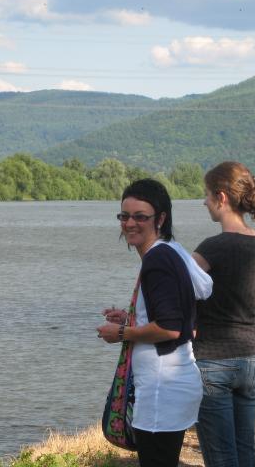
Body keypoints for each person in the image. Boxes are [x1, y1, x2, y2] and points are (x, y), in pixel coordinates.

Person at [97, 178, 213, 467]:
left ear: (160, 218)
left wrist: (122, 332)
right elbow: (182, 308)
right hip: (175, 382)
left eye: (140, 217)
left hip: (162, 388)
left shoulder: (157, 260)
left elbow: (170, 327)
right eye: (124, 216)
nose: (129, 223)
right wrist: (134, 318)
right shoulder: (172, 251)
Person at [192, 161, 255, 467]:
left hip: (214, 358)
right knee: (244, 451)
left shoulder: (213, 248)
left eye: (207, 195)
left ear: (221, 197)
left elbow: (177, 291)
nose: (204, 201)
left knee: (221, 456)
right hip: (251, 357)